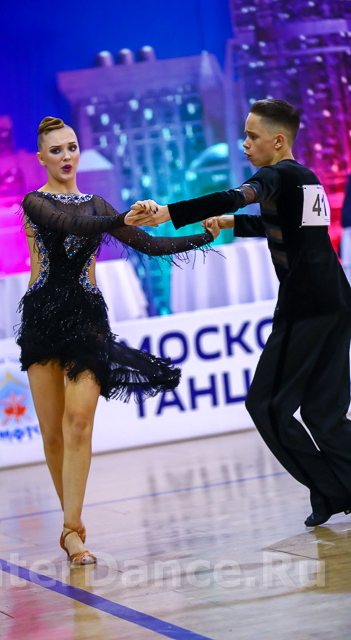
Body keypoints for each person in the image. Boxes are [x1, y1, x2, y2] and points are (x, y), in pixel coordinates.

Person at [127, 99, 351, 527]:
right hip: (336, 302)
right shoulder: (306, 178)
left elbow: (237, 196)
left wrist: (170, 213)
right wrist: (234, 223)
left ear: (278, 140)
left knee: (266, 406)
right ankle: (338, 487)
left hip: (306, 307)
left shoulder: (274, 175)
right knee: (325, 414)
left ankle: (331, 490)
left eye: (252, 136)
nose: (244, 144)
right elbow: (292, 229)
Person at [16, 116, 216, 565]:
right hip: (42, 320)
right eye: (56, 150)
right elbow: (69, 224)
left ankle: (72, 532)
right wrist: (119, 217)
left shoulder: (97, 205)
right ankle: (70, 525)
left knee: (78, 423)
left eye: (72, 147)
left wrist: (203, 235)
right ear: (41, 157)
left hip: (88, 320)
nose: (66, 156)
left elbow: (150, 244)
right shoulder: (35, 202)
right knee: (52, 436)